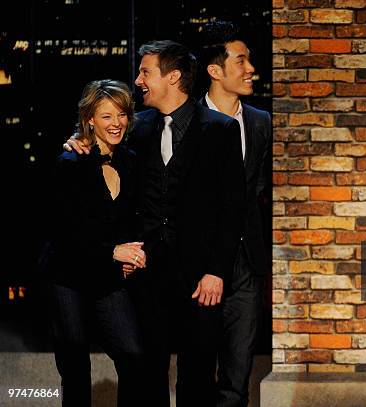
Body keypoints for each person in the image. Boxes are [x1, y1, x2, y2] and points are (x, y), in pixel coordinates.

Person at [66, 41, 246, 406]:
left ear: (173, 76)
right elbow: (100, 151)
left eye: (146, 71)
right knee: (146, 376)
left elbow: (232, 209)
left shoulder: (220, 129)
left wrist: (216, 271)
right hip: (146, 276)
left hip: (201, 280)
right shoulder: (137, 128)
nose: (138, 80)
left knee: (197, 376)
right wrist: (76, 143)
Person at [42, 79, 147, 406]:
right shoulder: (71, 163)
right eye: (106, 116)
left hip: (107, 277)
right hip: (68, 275)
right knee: (75, 366)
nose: (116, 123)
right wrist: (114, 252)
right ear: (89, 119)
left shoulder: (130, 160)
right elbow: (66, 233)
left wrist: (132, 254)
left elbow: (134, 218)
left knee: (132, 354)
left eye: (121, 115)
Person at [199, 21, 271, 407]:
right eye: (241, 60)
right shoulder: (186, 122)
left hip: (247, 265)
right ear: (215, 70)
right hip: (199, 266)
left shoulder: (261, 122)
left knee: (237, 378)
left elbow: (260, 189)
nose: (250, 69)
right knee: (197, 375)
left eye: (249, 60)